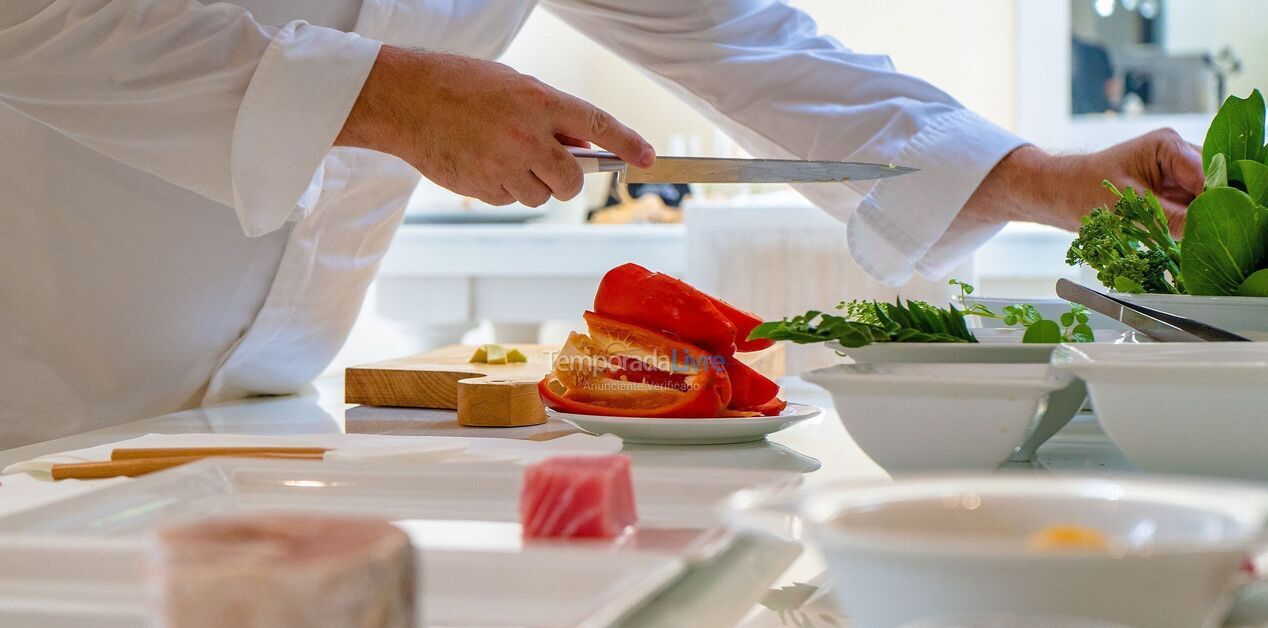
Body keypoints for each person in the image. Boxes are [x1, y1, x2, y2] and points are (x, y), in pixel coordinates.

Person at [0, 0, 1204, 450]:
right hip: (36, 381)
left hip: (263, 409)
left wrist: (1039, 178)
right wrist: (387, 94)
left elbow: (750, 42)